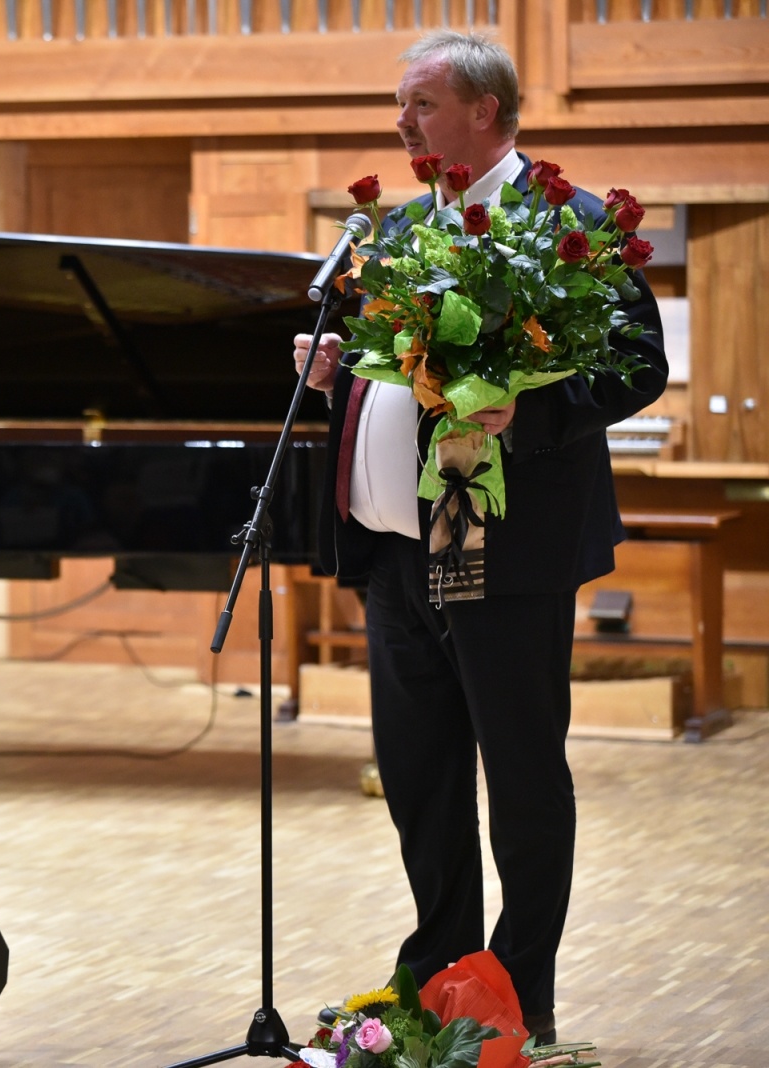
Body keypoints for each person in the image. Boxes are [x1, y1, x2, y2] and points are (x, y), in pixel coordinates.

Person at [293, 31, 667, 1044]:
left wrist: (528, 417)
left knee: (519, 773)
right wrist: (335, 372)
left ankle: (515, 993)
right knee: (419, 776)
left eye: (417, 103)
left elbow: (637, 366)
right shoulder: (403, 227)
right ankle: (439, 975)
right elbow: (396, 376)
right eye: (400, 104)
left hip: (495, 539)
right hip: (394, 547)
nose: (399, 122)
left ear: (485, 113)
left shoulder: (568, 225)